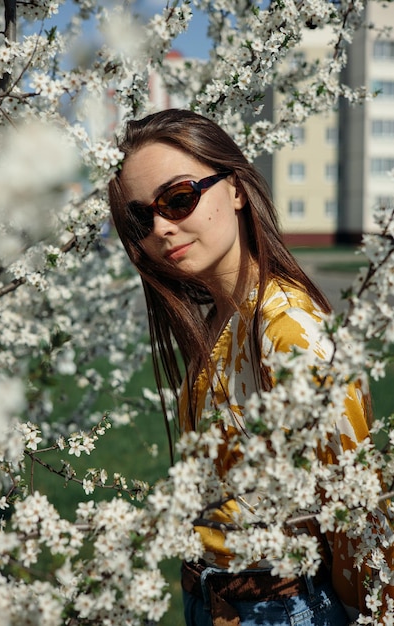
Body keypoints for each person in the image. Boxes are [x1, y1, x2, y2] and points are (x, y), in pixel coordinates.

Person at [108, 109, 393, 626]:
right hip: (216, 602)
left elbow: (361, 512)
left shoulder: (288, 329)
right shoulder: (219, 320)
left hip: (282, 608)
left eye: (178, 199)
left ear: (235, 189)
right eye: (140, 219)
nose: (162, 228)